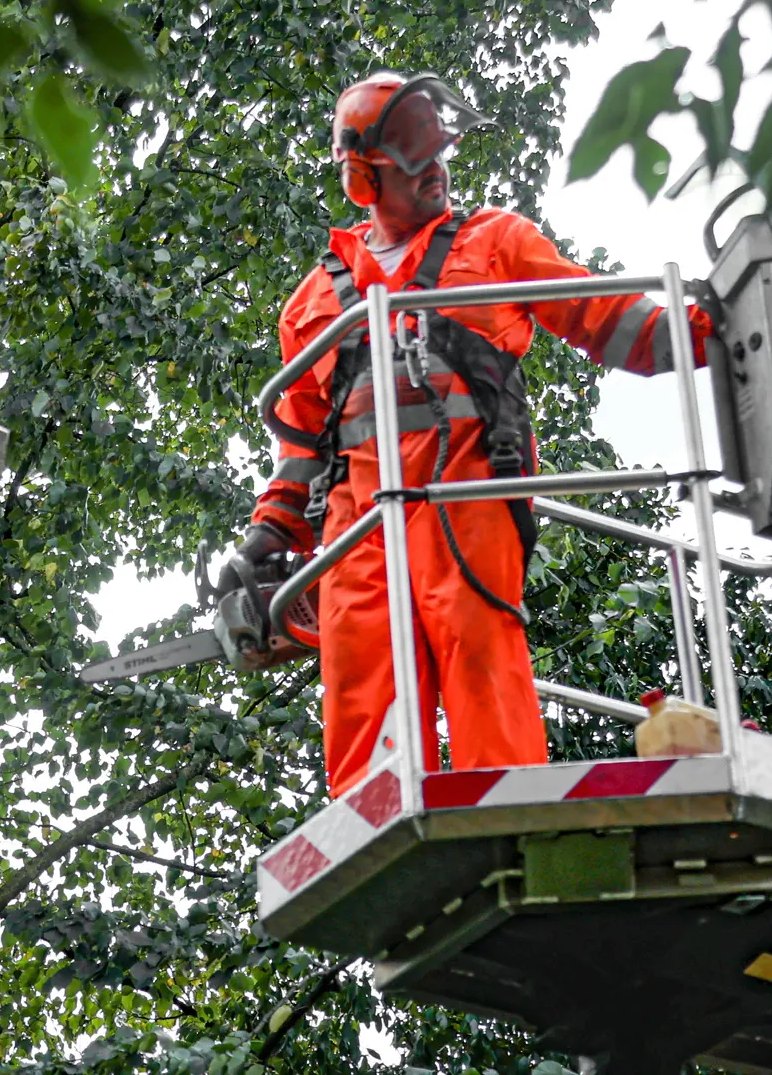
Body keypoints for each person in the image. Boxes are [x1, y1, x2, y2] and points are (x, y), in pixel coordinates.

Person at [233, 70, 713, 799]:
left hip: (469, 499)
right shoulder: (312, 302)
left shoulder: (495, 241)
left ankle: (514, 804)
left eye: (439, 152)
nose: (438, 172)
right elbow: (304, 446)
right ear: (365, 178)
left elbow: (606, 318)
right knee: (364, 675)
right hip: (359, 528)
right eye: (417, 159)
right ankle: (374, 821)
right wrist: (272, 532)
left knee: (480, 651)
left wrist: (714, 329)